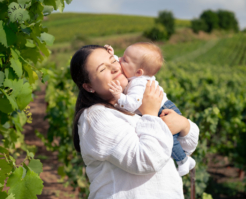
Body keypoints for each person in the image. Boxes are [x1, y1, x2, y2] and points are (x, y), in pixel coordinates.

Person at [70, 45, 199, 199]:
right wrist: (150, 114)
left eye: (114, 61)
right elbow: (146, 160)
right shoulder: (96, 117)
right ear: (89, 86)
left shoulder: (132, 103)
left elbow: (183, 148)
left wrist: (184, 125)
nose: (114, 68)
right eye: (102, 69)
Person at [105, 42, 195, 176]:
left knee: (168, 138)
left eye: (124, 59)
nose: (119, 60)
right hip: (164, 107)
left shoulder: (139, 83)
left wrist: (119, 96)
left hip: (162, 110)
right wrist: (111, 56)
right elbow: (128, 63)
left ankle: (183, 160)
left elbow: (133, 104)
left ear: (138, 72)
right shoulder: (137, 74)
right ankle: (185, 158)